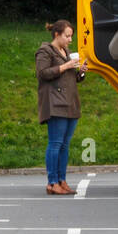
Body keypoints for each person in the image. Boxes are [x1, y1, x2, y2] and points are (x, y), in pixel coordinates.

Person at [36, 20, 86, 195]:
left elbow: (73, 77)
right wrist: (66, 66)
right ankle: (52, 182)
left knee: (65, 145)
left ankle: (62, 180)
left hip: (70, 102)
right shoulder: (45, 51)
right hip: (55, 103)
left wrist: (81, 71)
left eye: (71, 36)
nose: (70, 39)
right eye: (67, 36)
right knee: (55, 143)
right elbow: (42, 73)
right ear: (56, 34)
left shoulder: (67, 52)